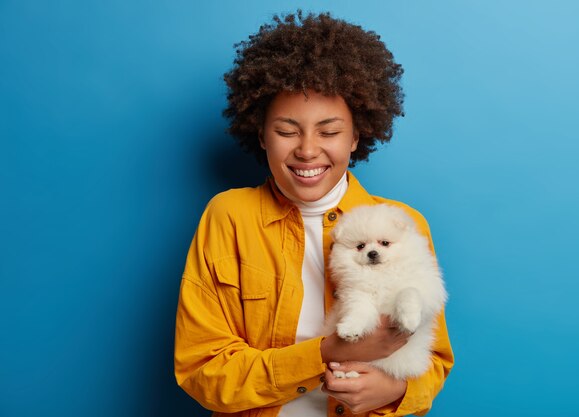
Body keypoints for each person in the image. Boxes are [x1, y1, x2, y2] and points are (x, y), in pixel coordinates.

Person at [174, 11, 454, 417]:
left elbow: (434, 361)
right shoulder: (229, 216)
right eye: (287, 131)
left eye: (329, 131)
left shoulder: (402, 224)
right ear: (260, 133)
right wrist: (324, 353)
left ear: (357, 135)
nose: (307, 149)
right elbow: (201, 370)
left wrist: (393, 392)